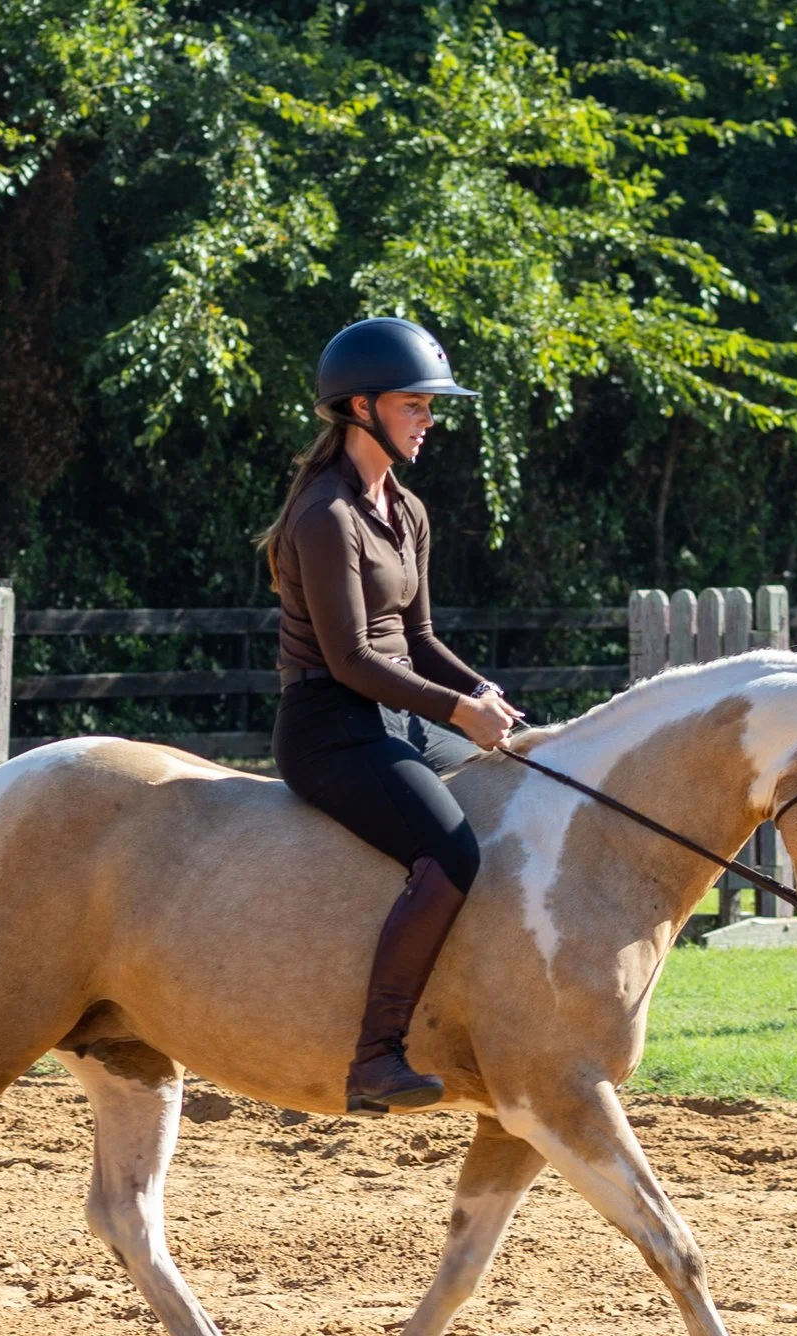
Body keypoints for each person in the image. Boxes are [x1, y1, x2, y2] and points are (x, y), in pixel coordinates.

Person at [256, 318, 526, 1115]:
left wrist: (488, 699)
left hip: (397, 717)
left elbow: (418, 638)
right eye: (416, 406)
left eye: (430, 407)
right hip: (330, 727)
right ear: (362, 407)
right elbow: (350, 662)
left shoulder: (403, 507)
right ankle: (375, 1056)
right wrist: (455, 710)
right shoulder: (325, 515)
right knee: (449, 854)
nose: (430, 421)